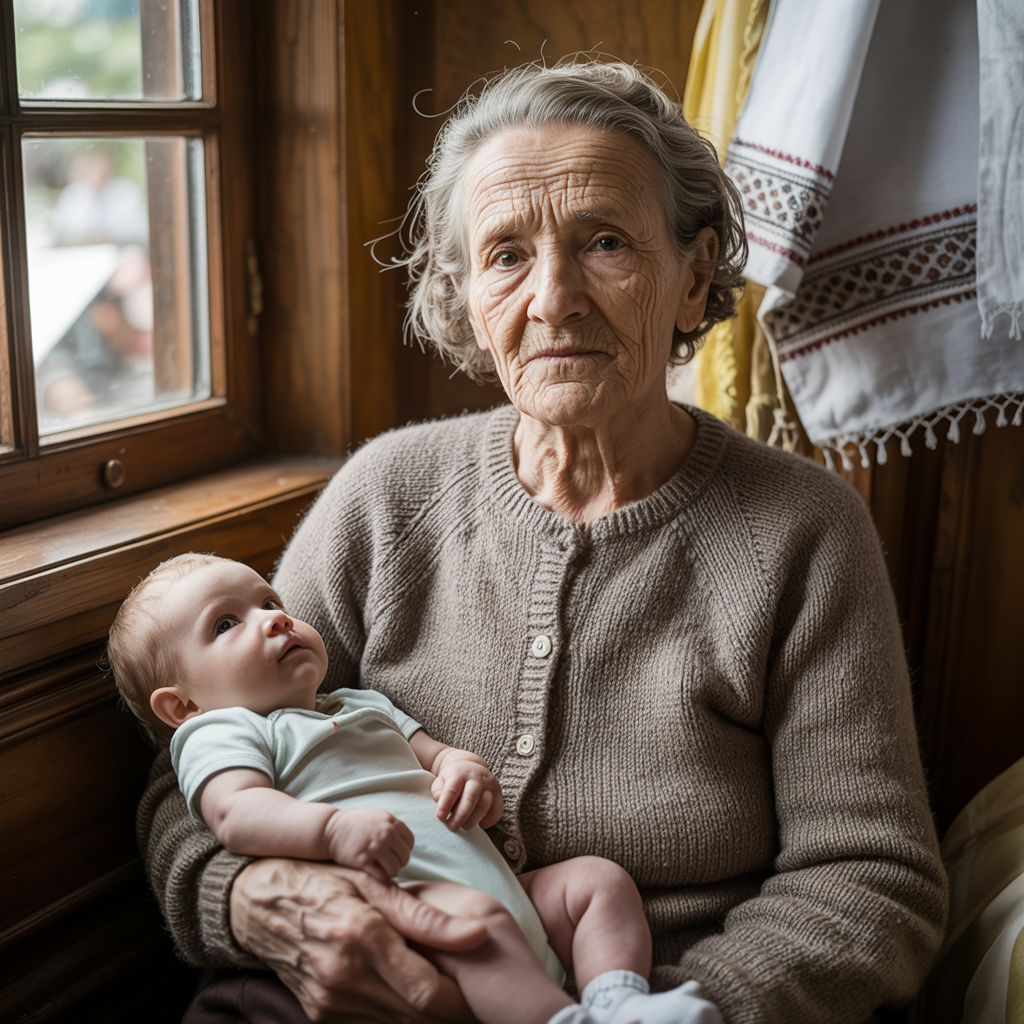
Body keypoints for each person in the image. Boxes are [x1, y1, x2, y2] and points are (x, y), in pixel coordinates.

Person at [138, 59, 948, 1023]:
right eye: (507, 254)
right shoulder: (385, 497)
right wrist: (253, 904)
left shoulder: (803, 533)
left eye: (605, 242)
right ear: (468, 298)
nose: (554, 297)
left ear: (694, 278)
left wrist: (696, 1009)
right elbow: (191, 768)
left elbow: (872, 877)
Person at [108, 552, 722, 1024]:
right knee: (477, 927)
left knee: (595, 882)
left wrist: (463, 770)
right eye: (225, 623)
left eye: (270, 600)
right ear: (183, 706)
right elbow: (236, 813)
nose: (274, 619)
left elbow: (432, 753)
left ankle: (618, 1002)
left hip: (506, 891)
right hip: (410, 910)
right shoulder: (223, 732)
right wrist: (331, 830)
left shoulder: (357, 703)